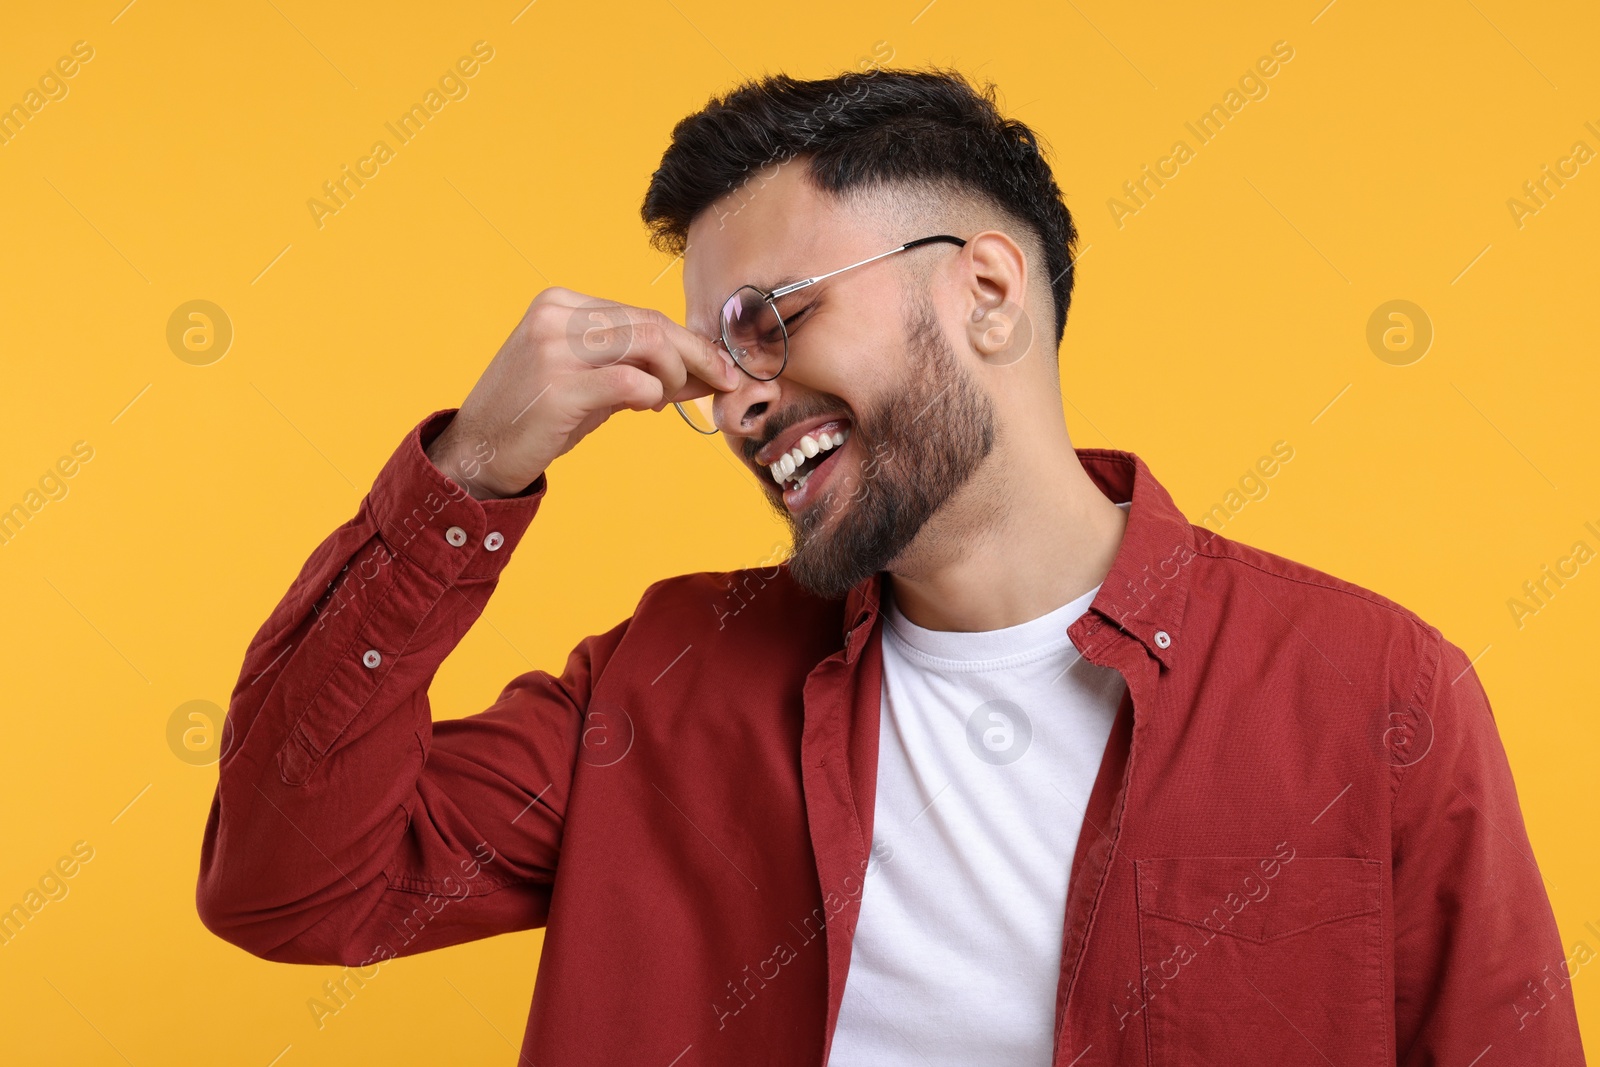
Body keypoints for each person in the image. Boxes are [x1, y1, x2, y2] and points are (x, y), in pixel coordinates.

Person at [195, 68, 1585, 1065]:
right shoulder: (664, 684)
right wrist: (471, 479)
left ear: (985, 291)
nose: (738, 398)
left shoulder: (1371, 690)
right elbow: (293, 888)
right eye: (718, 360)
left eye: (773, 321)